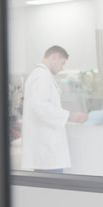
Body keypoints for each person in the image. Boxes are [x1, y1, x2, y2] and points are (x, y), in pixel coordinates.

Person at [21, 45, 88, 173]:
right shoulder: (41, 76)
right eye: (62, 63)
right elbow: (40, 107)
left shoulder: (43, 76)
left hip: (47, 152)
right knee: (50, 190)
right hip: (47, 152)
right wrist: (70, 115)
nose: (62, 68)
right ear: (54, 57)